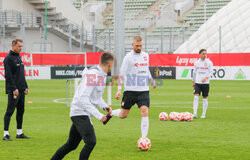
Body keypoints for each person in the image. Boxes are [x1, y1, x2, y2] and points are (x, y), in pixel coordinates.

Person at [51, 52, 114, 160]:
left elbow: (97, 97)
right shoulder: (93, 75)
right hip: (79, 112)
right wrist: (99, 115)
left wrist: (105, 107)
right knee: (91, 142)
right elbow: (82, 98)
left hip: (83, 113)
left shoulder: (101, 76)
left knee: (71, 144)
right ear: (110, 64)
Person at [103, 36, 156, 139]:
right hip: (130, 91)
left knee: (145, 111)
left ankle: (144, 138)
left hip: (143, 90)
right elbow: (122, 73)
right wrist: (119, 89)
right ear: (132, 45)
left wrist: (152, 80)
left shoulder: (146, 55)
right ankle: (111, 112)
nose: (139, 48)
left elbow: (146, 69)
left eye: (140, 46)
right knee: (124, 115)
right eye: (137, 46)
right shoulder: (128, 57)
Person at [3, 39, 29, 141]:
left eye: (21, 46)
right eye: (19, 46)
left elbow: (21, 74)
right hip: (14, 90)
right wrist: (14, 88)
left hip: (21, 89)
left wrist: (25, 86)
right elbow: (8, 75)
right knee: (10, 111)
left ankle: (19, 132)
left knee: (21, 111)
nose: (21, 48)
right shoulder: (8, 59)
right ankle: (5, 134)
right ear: (13, 46)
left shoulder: (19, 57)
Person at [192, 49, 213, 119]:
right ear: (200, 54)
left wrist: (206, 78)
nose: (205, 55)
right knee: (195, 97)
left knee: (204, 99)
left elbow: (211, 72)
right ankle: (194, 113)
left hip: (206, 83)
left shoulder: (209, 62)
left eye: (205, 54)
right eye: (203, 54)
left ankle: (203, 114)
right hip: (198, 83)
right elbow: (194, 72)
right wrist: (193, 81)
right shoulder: (196, 63)